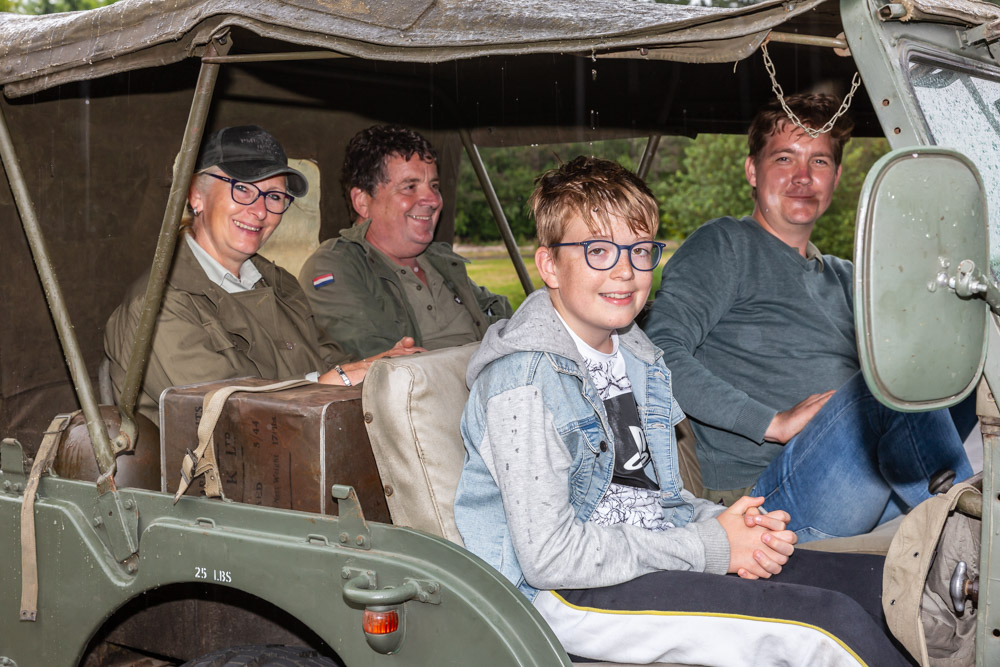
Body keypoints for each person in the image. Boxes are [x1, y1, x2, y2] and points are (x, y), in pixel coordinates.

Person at [454, 156, 911, 666]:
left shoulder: (635, 355)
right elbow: (549, 557)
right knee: (827, 624)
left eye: (640, 250)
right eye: (599, 251)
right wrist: (711, 546)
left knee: (879, 587)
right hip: (556, 597)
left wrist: (735, 524)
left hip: (646, 560)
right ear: (549, 266)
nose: (625, 271)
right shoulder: (524, 382)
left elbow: (654, 503)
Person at [644, 93, 972, 541]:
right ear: (752, 171)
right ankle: (970, 534)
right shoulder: (725, 245)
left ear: (835, 177)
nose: (802, 176)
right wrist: (772, 422)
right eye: (784, 158)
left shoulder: (847, 277)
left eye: (818, 161)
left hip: (859, 479)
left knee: (962, 366)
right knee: (884, 388)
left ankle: (962, 510)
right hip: (761, 499)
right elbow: (658, 352)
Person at [104, 125, 420, 427]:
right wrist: (327, 384)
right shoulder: (157, 306)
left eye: (274, 196)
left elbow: (330, 361)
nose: (260, 211)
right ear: (196, 195)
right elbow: (230, 416)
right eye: (242, 189)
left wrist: (377, 367)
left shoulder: (280, 284)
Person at [298, 125, 512, 359]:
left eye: (434, 186)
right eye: (410, 187)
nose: (433, 200)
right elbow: (380, 366)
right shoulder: (337, 265)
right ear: (362, 202)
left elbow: (505, 321)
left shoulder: (440, 261)